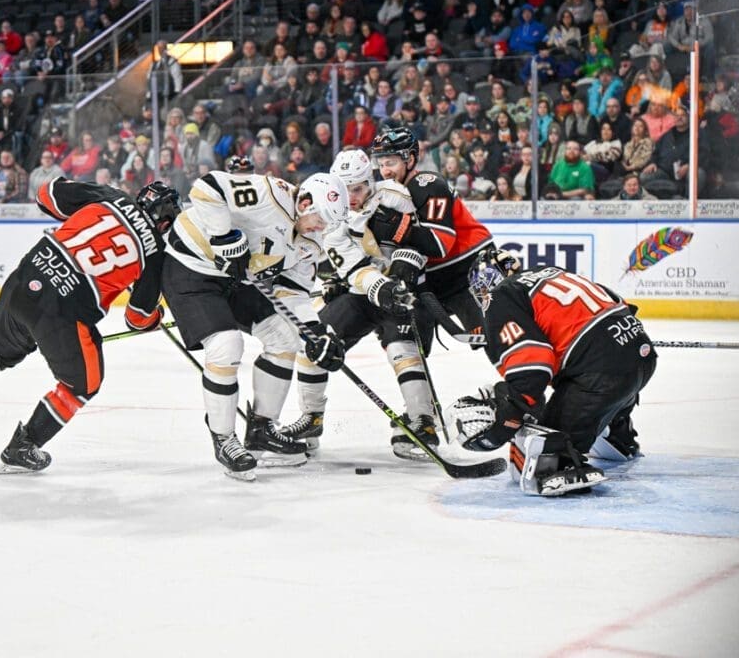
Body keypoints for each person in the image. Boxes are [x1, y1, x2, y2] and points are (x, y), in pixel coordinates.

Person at [0, 180, 181, 473]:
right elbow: (137, 318)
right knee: (83, 386)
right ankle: (24, 446)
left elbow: (46, 195)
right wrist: (154, 317)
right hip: (63, 311)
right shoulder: (156, 254)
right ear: (165, 222)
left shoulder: (110, 196)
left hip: (25, 279)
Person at [161, 166, 348, 481]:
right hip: (189, 266)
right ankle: (224, 439)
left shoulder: (310, 242)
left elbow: (294, 292)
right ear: (305, 205)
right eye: (321, 220)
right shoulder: (270, 194)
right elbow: (206, 188)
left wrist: (316, 333)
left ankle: (261, 429)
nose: (322, 230)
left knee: (285, 338)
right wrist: (224, 237)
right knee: (226, 345)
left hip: (234, 279)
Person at [448, 249, 656, 496]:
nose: (482, 298)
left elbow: (532, 366)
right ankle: (615, 430)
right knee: (596, 375)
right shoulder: (552, 273)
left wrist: (511, 412)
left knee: (534, 457)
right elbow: (622, 306)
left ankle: (566, 461)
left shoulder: (500, 295)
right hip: (641, 356)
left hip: (601, 375)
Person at [286, 148, 439, 460]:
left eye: (356, 188)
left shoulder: (394, 195)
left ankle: (422, 421)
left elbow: (419, 244)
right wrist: (356, 282)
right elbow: (353, 269)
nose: (351, 196)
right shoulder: (332, 214)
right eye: (344, 189)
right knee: (314, 344)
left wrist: (402, 271)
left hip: (404, 291)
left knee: (403, 350)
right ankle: (311, 420)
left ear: (369, 182)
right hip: (365, 294)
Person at [368, 127, 495, 342]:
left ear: (410, 160)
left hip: (470, 266)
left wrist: (397, 228)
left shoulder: (429, 184)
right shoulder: (387, 194)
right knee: (402, 336)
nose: (385, 171)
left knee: (493, 335)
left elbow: (439, 244)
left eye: (391, 163)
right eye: (381, 164)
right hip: (434, 277)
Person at [147, 40, 182, 106]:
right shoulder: (154, 64)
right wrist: (148, 95)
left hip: (169, 94)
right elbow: (149, 79)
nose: (160, 50)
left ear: (166, 48)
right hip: (156, 94)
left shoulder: (172, 61)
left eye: (162, 48)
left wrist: (177, 91)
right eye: (159, 48)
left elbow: (177, 77)